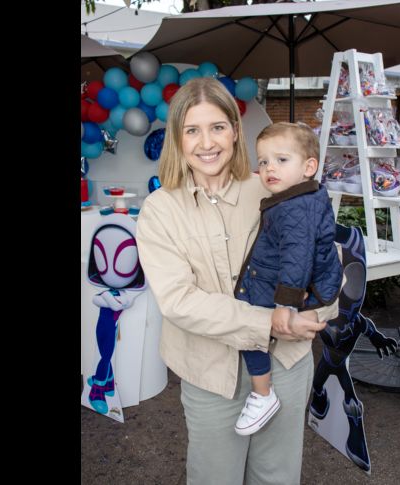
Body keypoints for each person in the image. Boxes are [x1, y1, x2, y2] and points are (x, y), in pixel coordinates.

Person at [135, 77, 338, 485]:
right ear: (178, 137)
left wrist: (317, 313)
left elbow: (320, 256)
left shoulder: (271, 186)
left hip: (285, 361)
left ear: (234, 130)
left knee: (276, 476)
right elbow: (179, 301)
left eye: (217, 127)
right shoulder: (159, 210)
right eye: (192, 130)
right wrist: (269, 321)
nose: (206, 142)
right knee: (214, 477)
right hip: (213, 373)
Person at [233, 122, 342, 436]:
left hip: (293, 285)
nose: (269, 169)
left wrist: (285, 304)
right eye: (263, 161)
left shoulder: (295, 207)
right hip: (297, 277)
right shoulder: (297, 197)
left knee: (247, 321)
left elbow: (297, 256)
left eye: (281, 160)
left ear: (309, 167)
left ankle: (262, 394)